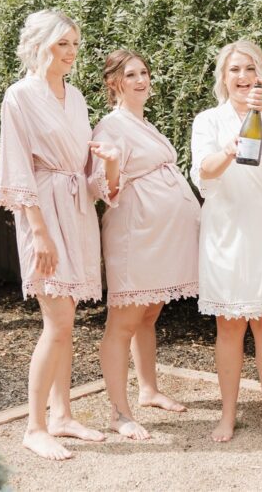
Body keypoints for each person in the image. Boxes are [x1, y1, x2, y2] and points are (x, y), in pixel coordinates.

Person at [0, 9, 106, 461]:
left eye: (76, 45)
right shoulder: (18, 96)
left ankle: (62, 414)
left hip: (75, 209)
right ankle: (34, 426)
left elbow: (82, 163)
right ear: (40, 45)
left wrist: (106, 167)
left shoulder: (75, 97)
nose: (72, 53)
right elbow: (17, 164)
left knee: (67, 323)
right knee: (56, 322)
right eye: (64, 44)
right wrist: (38, 232)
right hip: (41, 210)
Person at [190, 40, 262, 444]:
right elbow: (203, 170)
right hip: (225, 230)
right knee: (229, 324)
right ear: (223, 77)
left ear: (260, 75)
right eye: (235, 70)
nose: (242, 76)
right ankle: (228, 415)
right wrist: (227, 150)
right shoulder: (207, 120)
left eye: (250, 68)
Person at [89, 49, 200, 440]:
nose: (141, 80)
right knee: (123, 320)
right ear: (114, 83)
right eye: (131, 74)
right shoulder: (110, 126)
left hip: (163, 236)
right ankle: (119, 413)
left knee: (150, 313)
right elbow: (102, 188)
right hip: (136, 234)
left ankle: (149, 389)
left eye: (144, 72)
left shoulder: (143, 123)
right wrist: (113, 163)